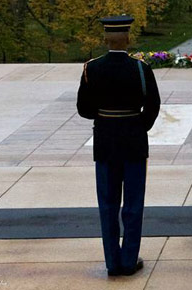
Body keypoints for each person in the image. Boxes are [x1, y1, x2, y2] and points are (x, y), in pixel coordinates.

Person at [76, 15, 161, 277]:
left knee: (108, 204)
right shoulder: (140, 68)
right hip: (133, 142)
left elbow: (83, 109)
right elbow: (153, 105)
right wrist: (137, 126)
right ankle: (128, 260)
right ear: (128, 38)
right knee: (133, 204)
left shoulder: (92, 68)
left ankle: (112, 262)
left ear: (105, 39)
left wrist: (105, 117)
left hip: (104, 142)